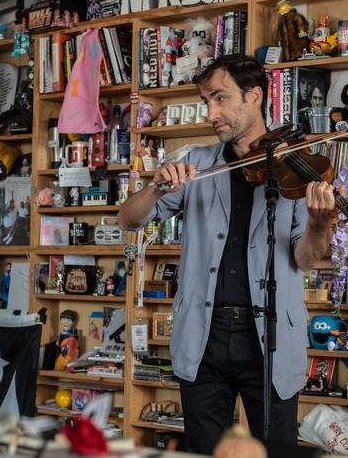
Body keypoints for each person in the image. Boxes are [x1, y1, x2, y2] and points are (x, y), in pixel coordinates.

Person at [118, 53, 341, 454]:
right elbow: (128, 220)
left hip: (270, 337)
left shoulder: (292, 166)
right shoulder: (195, 164)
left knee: (273, 451)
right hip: (203, 335)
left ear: (254, 96)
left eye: (219, 99)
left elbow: (305, 260)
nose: (211, 112)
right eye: (206, 102)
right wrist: (156, 187)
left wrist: (320, 224)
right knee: (205, 451)